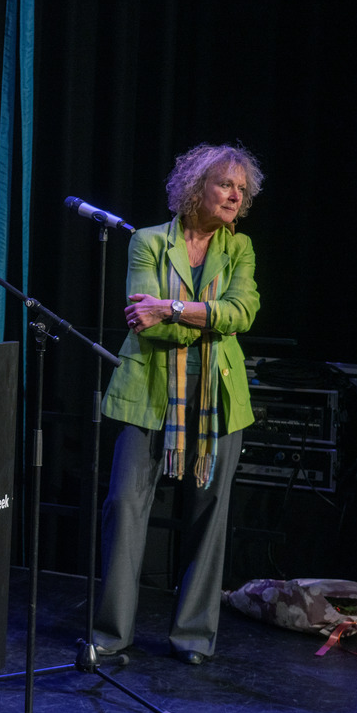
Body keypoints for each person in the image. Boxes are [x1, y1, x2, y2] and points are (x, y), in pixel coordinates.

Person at [94, 143, 263, 665]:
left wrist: (171, 308)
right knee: (124, 507)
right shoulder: (146, 242)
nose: (236, 195)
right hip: (148, 392)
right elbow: (140, 322)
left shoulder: (240, 250)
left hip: (218, 399)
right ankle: (109, 634)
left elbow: (242, 314)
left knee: (209, 516)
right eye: (226, 185)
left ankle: (192, 635)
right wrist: (201, 315)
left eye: (243, 189)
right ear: (196, 189)